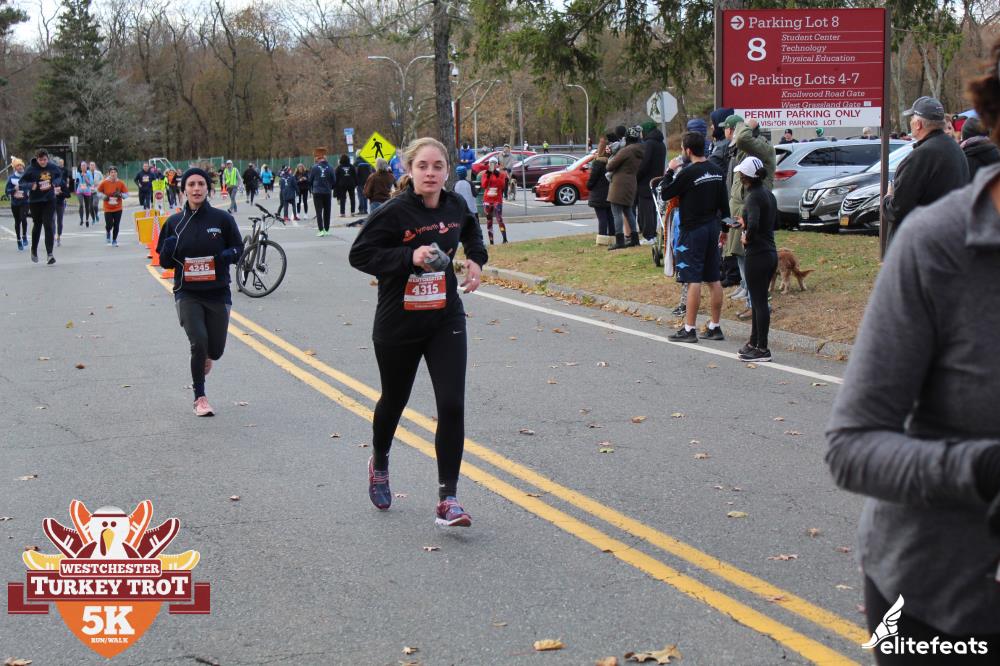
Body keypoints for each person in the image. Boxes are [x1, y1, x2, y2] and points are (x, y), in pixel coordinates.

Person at [825, 46, 1000, 664]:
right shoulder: (937, 248)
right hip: (940, 600)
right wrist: (981, 470)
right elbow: (850, 446)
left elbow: (897, 199)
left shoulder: (929, 153)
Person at [349, 136, 488, 527]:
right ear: (408, 170)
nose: (430, 173)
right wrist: (408, 256)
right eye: (422, 166)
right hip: (398, 322)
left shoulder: (455, 205)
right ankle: (380, 462)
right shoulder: (393, 212)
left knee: (452, 404)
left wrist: (476, 260)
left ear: (448, 171)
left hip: (445, 318)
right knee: (394, 400)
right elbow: (359, 254)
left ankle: (449, 499)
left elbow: (471, 230)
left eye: (438, 166)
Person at [156, 167, 243, 417]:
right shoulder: (174, 223)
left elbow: (238, 249)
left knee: (215, 349)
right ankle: (200, 397)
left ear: (208, 188)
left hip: (217, 292)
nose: (196, 189)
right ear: (184, 190)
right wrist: (168, 250)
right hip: (188, 292)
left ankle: (208, 354)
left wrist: (225, 256)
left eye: (201, 184)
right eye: (191, 184)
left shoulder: (222, 219)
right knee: (198, 342)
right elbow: (165, 262)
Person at [657, 132, 730, 344]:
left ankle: (689, 329)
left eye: (682, 148)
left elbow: (666, 193)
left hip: (692, 231)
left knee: (693, 279)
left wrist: (670, 171)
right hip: (712, 228)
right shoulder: (717, 171)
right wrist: (724, 229)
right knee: (714, 278)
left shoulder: (688, 173)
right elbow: (724, 204)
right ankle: (715, 326)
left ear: (688, 151)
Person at [882, 96, 970, 247]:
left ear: (918, 124)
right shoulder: (955, 149)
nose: (910, 122)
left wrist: (888, 197)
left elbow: (898, 209)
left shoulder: (922, 155)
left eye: (912, 118)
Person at [723, 115, 776, 319]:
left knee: (750, 261)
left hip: (752, 213)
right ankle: (751, 301)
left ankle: (759, 306)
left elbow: (743, 139)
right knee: (741, 258)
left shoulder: (761, 148)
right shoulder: (746, 151)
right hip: (741, 211)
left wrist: (745, 125)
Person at [731, 156, 777, 361]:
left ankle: (762, 348)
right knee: (759, 300)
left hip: (757, 254)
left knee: (759, 302)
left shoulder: (752, 197)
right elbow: (769, 221)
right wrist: (746, 222)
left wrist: (746, 237)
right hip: (770, 252)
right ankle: (753, 342)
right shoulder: (768, 194)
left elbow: (756, 224)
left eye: (741, 175)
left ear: (745, 178)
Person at [17, 149, 63, 265]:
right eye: (40, 160)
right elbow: (21, 182)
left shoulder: (52, 167)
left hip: (49, 200)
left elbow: (59, 175)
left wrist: (55, 182)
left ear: (48, 159)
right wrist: (30, 185)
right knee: (37, 225)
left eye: (45, 160)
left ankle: (50, 254)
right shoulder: (31, 169)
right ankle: (34, 250)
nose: (43, 162)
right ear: (37, 159)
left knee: (48, 224)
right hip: (35, 201)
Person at [605, 125, 644, 250]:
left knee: (616, 212)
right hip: (631, 182)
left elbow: (609, 166)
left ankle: (620, 241)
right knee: (628, 211)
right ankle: (634, 239)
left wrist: (610, 157)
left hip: (619, 183)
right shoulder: (639, 150)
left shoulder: (626, 151)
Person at [635, 121, 667, 244]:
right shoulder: (661, 144)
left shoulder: (649, 144)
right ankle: (652, 234)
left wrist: (636, 176)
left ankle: (649, 236)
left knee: (646, 210)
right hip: (656, 179)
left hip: (645, 182)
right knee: (653, 208)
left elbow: (645, 163)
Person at [588, 135, 614, 245]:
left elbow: (592, 179)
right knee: (610, 216)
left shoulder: (598, 163)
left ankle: (602, 238)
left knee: (602, 217)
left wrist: (589, 186)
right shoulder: (612, 161)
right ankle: (613, 237)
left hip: (599, 194)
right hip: (610, 192)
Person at [95, 166, 128, 246]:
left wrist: (120, 195)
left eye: (115, 172)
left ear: (117, 173)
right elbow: (98, 192)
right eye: (111, 172)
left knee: (116, 225)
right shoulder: (104, 182)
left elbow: (127, 194)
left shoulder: (120, 183)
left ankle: (114, 240)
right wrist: (104, 197)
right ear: (109, 174)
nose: (113, 174)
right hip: (108, 208)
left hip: (118, 208)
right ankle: (108, 231)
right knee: (109, 224)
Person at [480, 157, 508, 244]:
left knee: (499, 219)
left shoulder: (501, 174)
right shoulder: (485, 174)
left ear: (497, 165)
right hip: (487, 200)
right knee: (489, 221)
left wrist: (497, 175)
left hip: (497, 200)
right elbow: (484, 185)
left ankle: (504, 239)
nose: (492, 165)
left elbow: (502, 186)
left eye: (494, 163)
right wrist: (488, 175)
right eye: (491, 163)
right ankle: (491, 241)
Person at [309, 154, 336, 236]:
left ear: (318, 159)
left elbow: (310, 180)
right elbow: (334, 180)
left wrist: (312, 188)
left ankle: (321, 230)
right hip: (327, 191)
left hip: (317, 191)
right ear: (325, 159)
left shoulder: (314, 167)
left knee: (319, 211)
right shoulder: (330, 168)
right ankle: (327, 229)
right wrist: (330, 187)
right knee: (327, 211)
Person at [6, 157, 28, 251]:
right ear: (15, 168)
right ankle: (18, 239)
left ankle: (24, 236)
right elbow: (7, 191)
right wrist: (14, 190)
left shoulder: (26, 176)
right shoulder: (11, 178)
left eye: (21, 165)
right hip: (15, 203)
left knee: (24, 219)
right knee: (17, 221)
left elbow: (30, 186)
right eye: (18, 166)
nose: (20, 167)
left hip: (25, 202)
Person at [54, 157, 72, 246]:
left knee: (59, 221)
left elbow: (68, 195)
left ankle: (58, 236)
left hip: (60, 203)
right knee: (51, 220)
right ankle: (53, 235)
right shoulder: (50, 182)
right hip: (50, 203)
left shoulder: (62, 182)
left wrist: (61, 192)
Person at [335, 153, 357, 217]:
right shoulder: (352, 166)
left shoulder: (339, 167)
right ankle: (352, 212)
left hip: (342, 184)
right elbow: (355, 176)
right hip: (351, 184)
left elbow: (337, 177)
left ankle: (342, 213)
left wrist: (336, 185)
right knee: (352, 198)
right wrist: (356, 184)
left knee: (342, 199)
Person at [76, 161, 95, 227]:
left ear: (86, 167)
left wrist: (85, 177)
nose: (83, 167)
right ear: (80, 167)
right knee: (81, 204)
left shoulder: (89, 173)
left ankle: (87, 219)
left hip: (87, 191)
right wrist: (77, 182)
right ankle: (81, 219)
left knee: (87, 206)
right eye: (82, 166)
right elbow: (77, 182)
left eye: (84, 166)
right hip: (80, 191)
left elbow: (91, 183)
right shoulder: (78, 173)